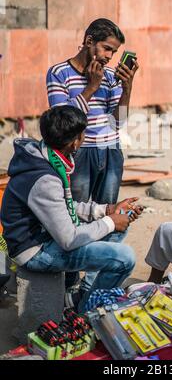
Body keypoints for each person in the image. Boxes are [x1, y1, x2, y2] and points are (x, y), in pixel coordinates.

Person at [0, 106, 143, 313]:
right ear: (75, 142)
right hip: (34, 251)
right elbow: (68, 239)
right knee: (125, 258)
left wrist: (108, 209)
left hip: (45, 236)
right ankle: (86, 312)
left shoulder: (45, 156)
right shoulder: (45, 178)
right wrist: (110, 221)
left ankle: (85, 293)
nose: (84, 138)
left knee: (121, 224)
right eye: (83, 134)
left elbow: (63, 206)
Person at [46, 18, 139, 291]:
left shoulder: (110, 76)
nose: (110, 57)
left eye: (114, 52)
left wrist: (128, 87)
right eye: (106, 48)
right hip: (78, 153)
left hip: (110, 151)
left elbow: (118, 121)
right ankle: (70, 281)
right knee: (74, 215)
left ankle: (92, 282)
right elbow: (61, 122)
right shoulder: (59, 73)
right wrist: (90, 88)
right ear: (89, 41)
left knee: (107, 215)